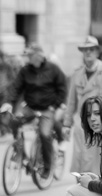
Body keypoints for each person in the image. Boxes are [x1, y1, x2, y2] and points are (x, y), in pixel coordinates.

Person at [0, 43, 67, 179]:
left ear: (39, 56)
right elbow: (15, 88)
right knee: (13, 121)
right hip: (30, 107)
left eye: (30, 54)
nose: (27, 57)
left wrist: (55, 106)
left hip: (48, 108)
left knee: (44, 133)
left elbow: (62, 89)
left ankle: (48, 168)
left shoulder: (53, 69)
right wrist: (8, 103)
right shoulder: (25, 70)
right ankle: (22, 156)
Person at [62, 36, 102, 172]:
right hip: (80, 123)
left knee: (95, 162)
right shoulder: (77, 73)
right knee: (79, 159)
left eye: (91, 49)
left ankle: (93, 188)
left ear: (97, 52)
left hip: (98, 123)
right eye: (85, 50)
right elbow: (71, 102)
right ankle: (80, 187)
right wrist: (66, 123)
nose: (88, 52)